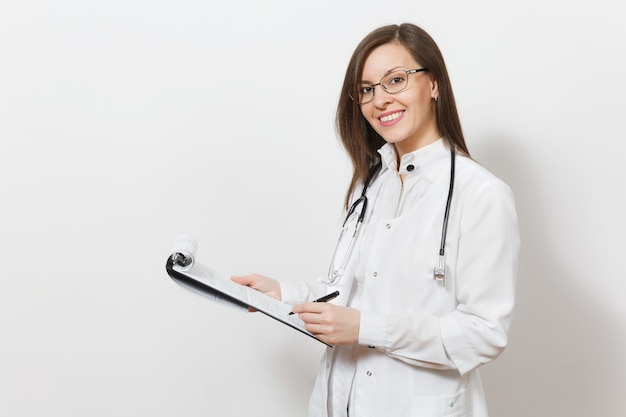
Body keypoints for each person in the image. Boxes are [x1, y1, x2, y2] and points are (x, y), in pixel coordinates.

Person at [232, 22, 520, 417]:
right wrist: (284, 294)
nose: (379, 100)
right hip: (340, 402)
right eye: (367, 89)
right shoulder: (370, 186)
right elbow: (349, 291)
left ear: (433, 84)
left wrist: (366, 329)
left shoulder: (481, 194)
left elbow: (485, 334)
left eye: (395, 80)